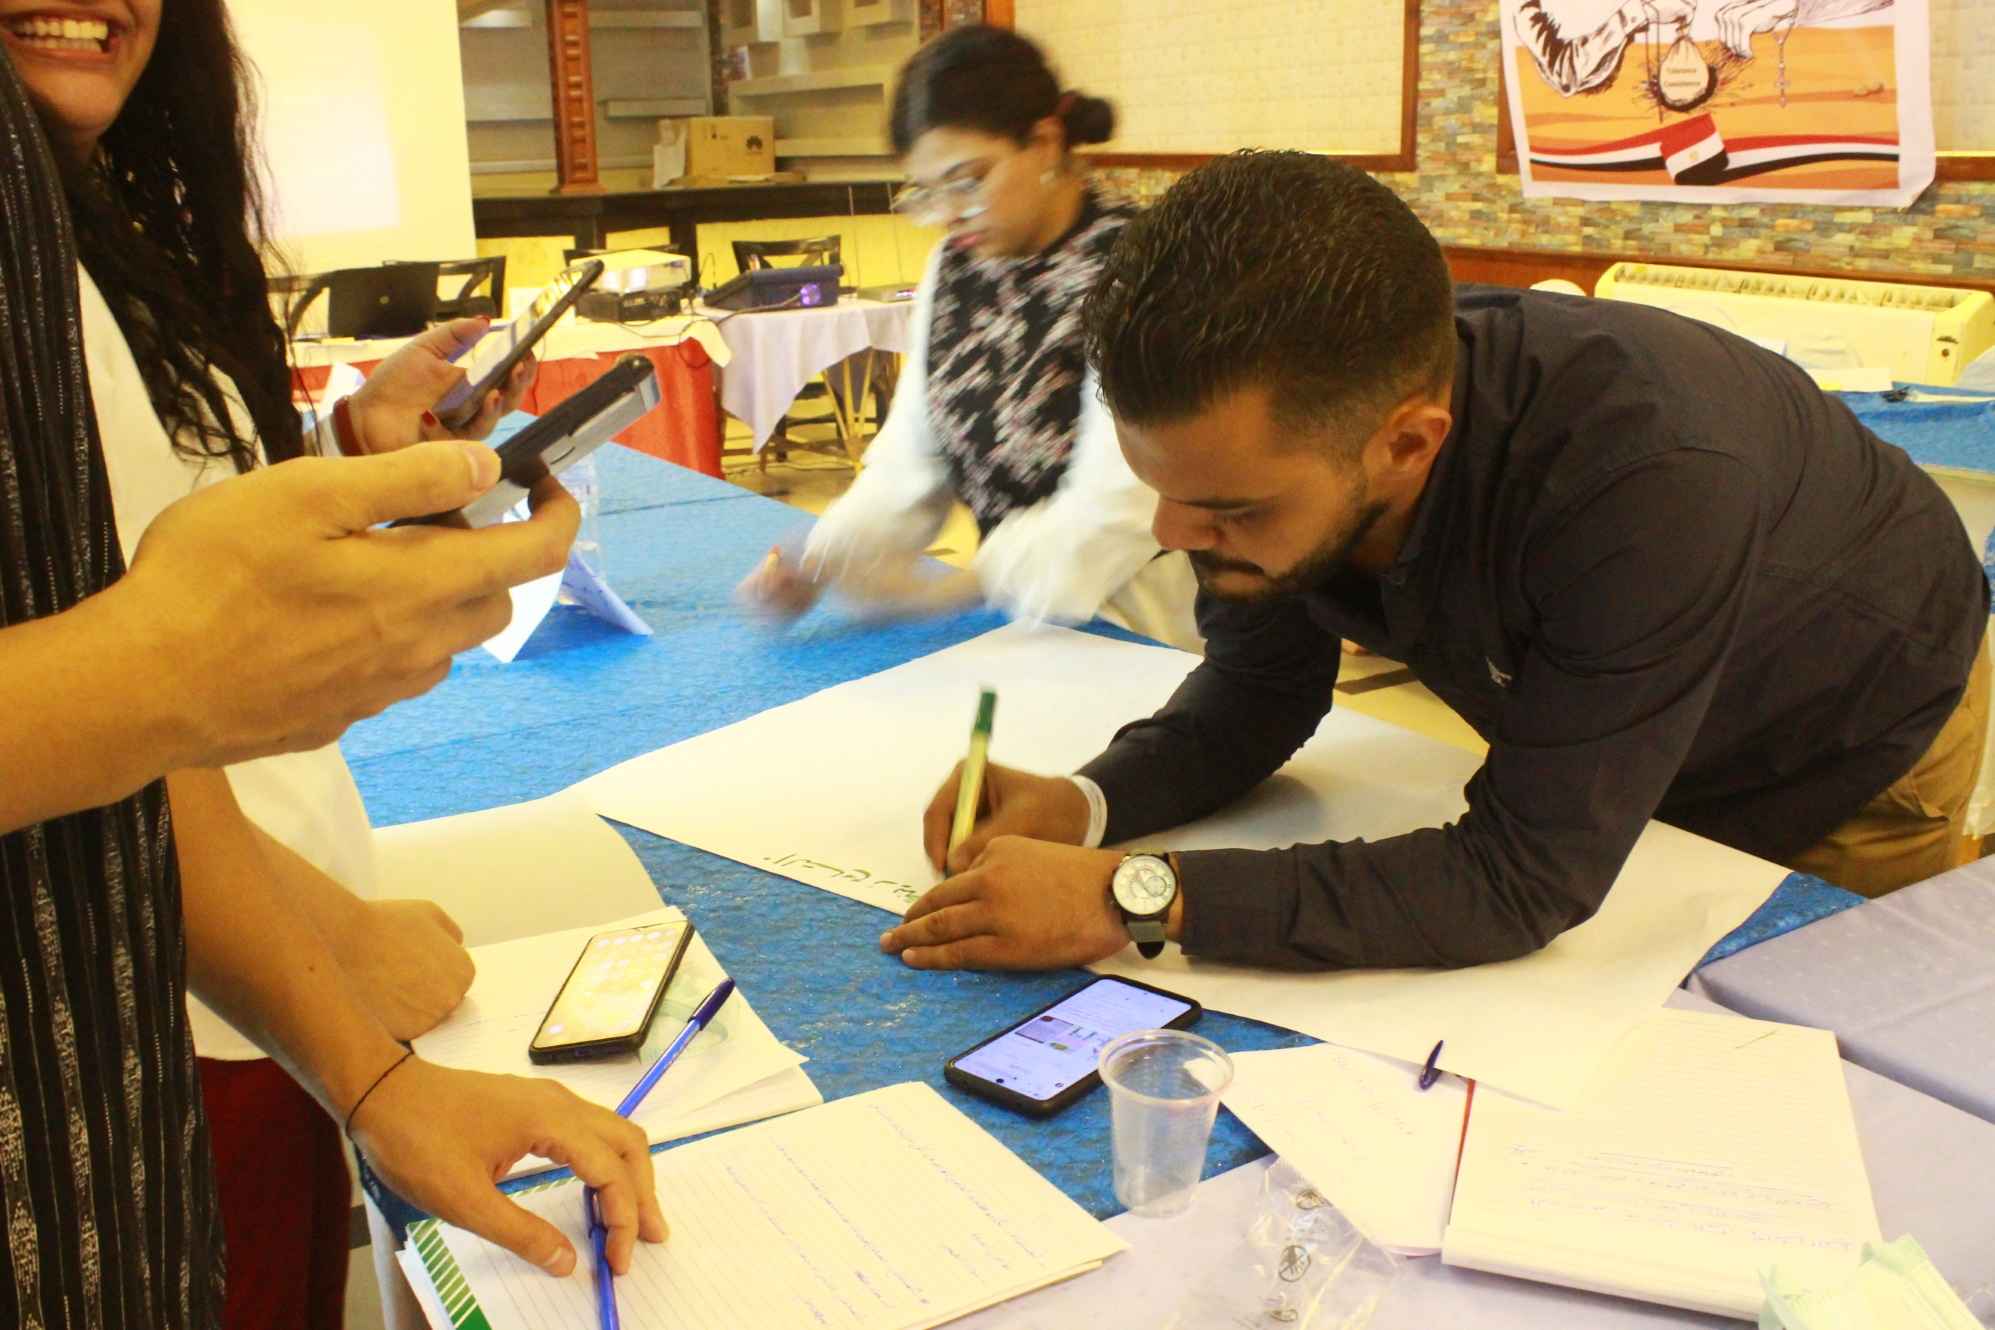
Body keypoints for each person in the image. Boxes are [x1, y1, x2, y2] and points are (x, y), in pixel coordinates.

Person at [879, 151, 1989, 976]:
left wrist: (1132, 898)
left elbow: (1522, 878)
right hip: (1627, 698)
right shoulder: (1310, 416)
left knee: (1787, 1043)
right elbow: (1260, 689)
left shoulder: (1641, 480)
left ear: (1409, 444)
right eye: (1158, 487)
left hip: (1842, 725)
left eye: (1227, 508)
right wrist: (1086, 803)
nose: (1171, 534)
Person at [0, 34, 660, 1330]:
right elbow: (124, 693)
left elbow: (139, 589)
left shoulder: (89, 226)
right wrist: (165, 673)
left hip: (190, 999)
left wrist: (364, 1070)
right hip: (155, 1011)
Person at [737, 24, 1200, 652]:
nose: (949, 214)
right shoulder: (956, 267)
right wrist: (822, 560)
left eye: (968, 181)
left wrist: (953, 590)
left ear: (1045, 142)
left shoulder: (1144, 267)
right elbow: (911, 460)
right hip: (1010, 620)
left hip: (1138, 625)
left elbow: (1119, 507)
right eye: (927, 192)